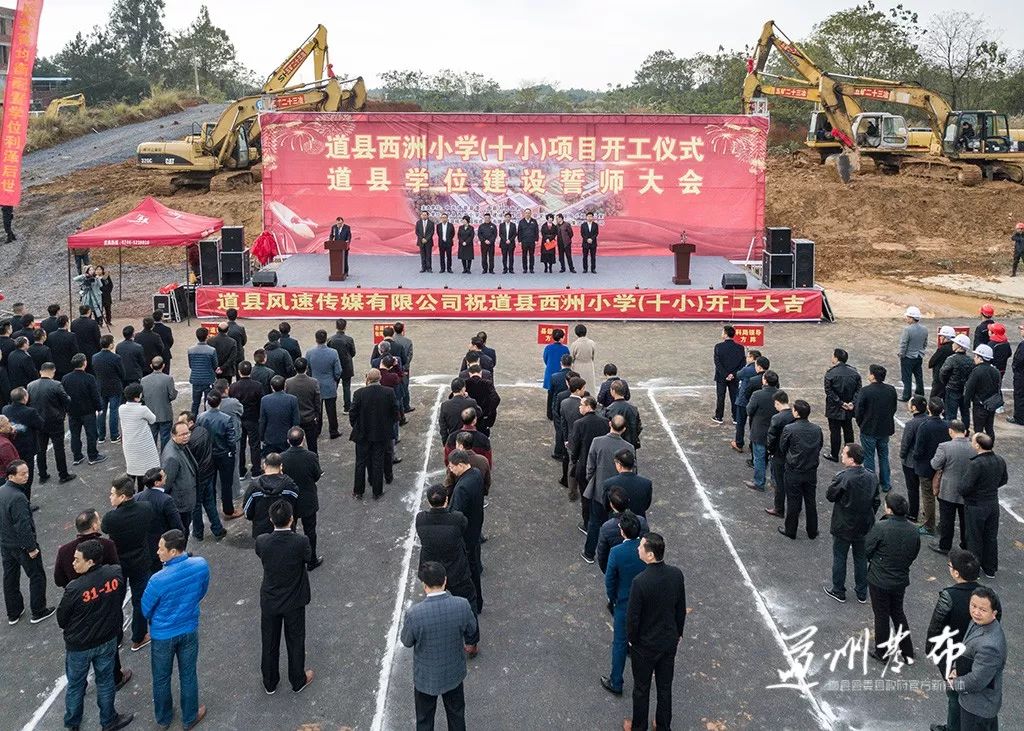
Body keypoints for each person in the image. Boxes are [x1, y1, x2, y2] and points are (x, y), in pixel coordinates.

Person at [57, 539, 135, 731]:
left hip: (79, 646)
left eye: (77, 560)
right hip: (107, 639)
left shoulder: (74, 588)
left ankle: (72, 724)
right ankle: (108, 720)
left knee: (75, 686)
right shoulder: (115, 573)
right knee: (105, 681)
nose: (73, 563)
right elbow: (119, 596)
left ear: (90, 561)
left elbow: (62, 619)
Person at [140, 529, 209, 730]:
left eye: (161, 548)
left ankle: (164, 718)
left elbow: (145, 609)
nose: (157, 552)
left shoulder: (157, 580)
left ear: (172, 552)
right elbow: (202, 591)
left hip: (163, 635)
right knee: (188, 674)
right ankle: (190, 717)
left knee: (161, 678)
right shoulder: (200, 565)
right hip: (188, 628)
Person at [400, 561, 478, 731]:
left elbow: (406, 642)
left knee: (424, 720)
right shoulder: (462, 605)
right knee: (456, 715)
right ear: (445, 581)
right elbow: (472, 630)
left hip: (426, 678)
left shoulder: (415, 614)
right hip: (453, 673)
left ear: (424, 585)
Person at [625, 533, 687, 731]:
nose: (638, 548)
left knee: (641, 690)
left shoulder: (640, 582)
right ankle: (662, 726)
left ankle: (638, 727)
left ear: (650, 555)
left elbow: (633, 618)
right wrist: (678, 633)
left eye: (641, 546)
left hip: (645, 645)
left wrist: (632, 641)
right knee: (665, 687)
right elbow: (680, 607)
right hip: (668, 641)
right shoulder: (676, 574)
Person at [255, 499, 314, 695]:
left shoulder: (263, 541)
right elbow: (308, 557)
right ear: (291, 519)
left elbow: (260, 554)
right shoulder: (301, 541)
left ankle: (269, 681)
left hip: (270, 599)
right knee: (296, 640)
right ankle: (297, 679)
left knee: (269, 641)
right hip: (294, 599)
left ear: (271, 520)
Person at [926, 548, 981, 731]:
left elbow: (936, 627)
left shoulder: (949, 596)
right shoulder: (987, 597)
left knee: (954, 694)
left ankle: (953, 727)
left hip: (952, 655)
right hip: (977, 655)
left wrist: (931, 649)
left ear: (956, 573)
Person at [416, 484, 479, 644]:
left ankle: (439, 634)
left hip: (432, 572)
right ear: (447, 500)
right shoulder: (457, 518)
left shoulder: (421, 519)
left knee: (434, 603)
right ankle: (471, 641)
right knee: (468, 600)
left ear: (429, 502)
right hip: (456, 569)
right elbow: (464, 526)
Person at [864, 493, 920, 664]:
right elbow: (913, 553)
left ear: (889, 509)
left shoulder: (881, 527)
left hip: (879, 579)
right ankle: (907, 651)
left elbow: (867, 549)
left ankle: (882, 652)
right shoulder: (913, 530)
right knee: (897, 612)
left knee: (881, 615)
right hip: (899, 579)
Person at [102, 474, 155, 651]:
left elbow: (104, 529)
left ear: (123, 496)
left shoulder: (111, 518)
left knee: (116, 601)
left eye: (112, 494)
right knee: (140, 600)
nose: (110, 497)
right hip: (141, 561)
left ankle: (116, 638)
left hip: (119, 564)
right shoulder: (146, 508)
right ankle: (139, 636)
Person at [823, 443, 880, 603]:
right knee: (861, 558)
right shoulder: (871, 477)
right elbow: (876, 501)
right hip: (864, 525)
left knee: (840, 557)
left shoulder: (843, 477)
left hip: (843, 524)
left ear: (852, 459)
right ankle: (862, 592)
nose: (842, 455)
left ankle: (838, 590)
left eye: (844, 454)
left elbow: (830, 495)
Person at [1, 460, 54, 624]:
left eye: (27, 472)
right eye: (22, 474)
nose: (27, 476)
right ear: (11, 476)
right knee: (36, 575)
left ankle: (13, 612)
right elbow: (23, 525)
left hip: (5, 543)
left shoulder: (2, 491)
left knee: (10, 577)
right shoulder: (18, 498)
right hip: (22, 546)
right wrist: (31, 547)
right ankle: (38, 610)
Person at [601, 511, 645, 696]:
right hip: (644, 604)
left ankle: (616, 681)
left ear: (623, 532)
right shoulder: (646, 549)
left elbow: (610, 581)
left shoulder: (617, 552)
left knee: (619, 643)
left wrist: (613, 599)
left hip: (624, 603)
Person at [949, 587, 1005, 730]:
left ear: (994, 613)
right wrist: (956, 668)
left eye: (983, 609)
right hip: (974, 702)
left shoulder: (990, 646)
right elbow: (966, 649)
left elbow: (977, 681)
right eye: (973, 606)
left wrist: (955, 683)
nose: (976, 612)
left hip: (978, 707)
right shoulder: (977, 622)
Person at [583, 420, 635, 562]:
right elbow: (633, 470)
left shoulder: (597, 441)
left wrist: (591, 480)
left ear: (610, 424)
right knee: (616, 525)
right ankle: (611, 554)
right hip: (619, 495)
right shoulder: (629, 447)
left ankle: (589, 553)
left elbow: (590, 464)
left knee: (594, 523)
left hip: (599, 491)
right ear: (624, 429)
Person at [959, 433, 1006, 579]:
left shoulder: (975, 464)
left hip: (975, 505)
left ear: (978, 445)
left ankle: (973, 570)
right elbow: (1004, 480)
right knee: (991, 537)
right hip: (992, 504)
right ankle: (990, 568)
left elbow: (965, 487)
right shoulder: (1000, 460)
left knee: (974, 538)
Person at [350, 369, 399, 499]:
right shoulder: (388, 392)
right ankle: (377, 491)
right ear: (380, 378)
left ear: (368, 378)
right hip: (381, 433)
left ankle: (358, 491)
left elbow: (353, 413)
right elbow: (395, 412)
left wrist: (356, 426)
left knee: (360, 462)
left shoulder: (359, 393)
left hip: (362, 433)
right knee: (378, 461)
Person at [778, 399, 823, 539]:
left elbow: (783, 447)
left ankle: (791, 530)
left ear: (796, 413)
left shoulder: (789, 429)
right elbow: (819, 445)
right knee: (810, 501)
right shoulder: (817, 429)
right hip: (810, 470)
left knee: (793, 501)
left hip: (794, 470)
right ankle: (812, 530)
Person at [280, 427, 323, 570]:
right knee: (310, 531)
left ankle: (294, 560)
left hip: (290, 501)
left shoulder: (282, 458)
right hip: (308, 499)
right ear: (303, 440)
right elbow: (316, 475)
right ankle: (311, 559)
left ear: (288, 441)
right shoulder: (311, 456)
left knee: (290, 531)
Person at [448, 450, 484, 614]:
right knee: (475, 566)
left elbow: (456, 516)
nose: (450, 469)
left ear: (461, 465)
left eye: (452, 466)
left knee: (469, 571)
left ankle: (474, 605)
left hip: (467, 535)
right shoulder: (476, 473)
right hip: (476, 528)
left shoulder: (462, 487)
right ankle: (478, 602)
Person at [929, 420, 973, 556]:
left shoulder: (944, 447)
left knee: (947, 520)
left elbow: (935, 464)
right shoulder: (973, 447)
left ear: (950, 431)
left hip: (948, 490)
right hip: (967, 490)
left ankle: (945, 545)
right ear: (965, 432)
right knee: (966, 521)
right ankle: (966, 545)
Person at [29, 362, 76, 484]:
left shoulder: (31, 385)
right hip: (55, 421)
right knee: (59, 448)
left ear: (40, 371)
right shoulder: (56, 385)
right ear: (53, 371)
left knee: (41, 449)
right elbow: (67, 400)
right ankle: (63, 474)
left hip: (39, 422)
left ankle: (43, 474)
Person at [856, 364, 898, 493]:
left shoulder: (865, 391)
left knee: (869, 457)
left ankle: (871, 484)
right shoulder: (891, 389)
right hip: (884, 428)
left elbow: (859, 411)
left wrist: (861, 424)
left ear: (873, 376)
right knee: (883, 456)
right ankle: (885, 483)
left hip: (869, 429)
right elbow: (893, 408)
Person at [162, 420, 205, 540]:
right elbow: (167, 484)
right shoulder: (172, 457)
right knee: (182, 532)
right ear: (173, 436)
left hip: (187, 498)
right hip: (180, 503)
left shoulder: (182, 446)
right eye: (182, 435)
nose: (186, 437)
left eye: (187, 433)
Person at [136, 468, 184, 572]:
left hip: (143, 546)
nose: (166, 476)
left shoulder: (137, 497)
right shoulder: (166, 500)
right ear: (157, 483)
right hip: (160, 544)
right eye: (164, 476)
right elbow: (176, 524)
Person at [63, 353, 106, 467]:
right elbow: (95, 395)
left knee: (75, 435)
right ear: (84, 363)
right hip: (88, 411)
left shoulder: (66, 378)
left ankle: (77, 456)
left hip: (73, 412)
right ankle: (93, 456)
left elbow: (64, 395)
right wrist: (99, 408)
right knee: (91, 434)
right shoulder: (89, 378)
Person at [597, 488, 650, 572]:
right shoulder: (641, 521)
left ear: (611, 505)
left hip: (618, 566)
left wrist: (607, 571)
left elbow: (602, 554)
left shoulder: (607, 527)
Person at [569, 396, 609, 506]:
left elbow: (575, 446)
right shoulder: (605, 422)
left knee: (585, 496)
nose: (579, 407)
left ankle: (587, 521)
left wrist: (574, 459)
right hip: (600, 462)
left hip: (584, 463)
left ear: (588, 407)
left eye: (581, 405)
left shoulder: (579, 423)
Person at [2, 388, 43, 496]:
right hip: (27, 448)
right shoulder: (30, 411)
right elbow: (40, 424)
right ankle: (26, 500)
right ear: (25, 398)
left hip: (14, 446)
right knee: (26, 477)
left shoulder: (6, 409)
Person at [824, 348, 861, 462]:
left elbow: (829, 392)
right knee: (848, 430)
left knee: (835, 432)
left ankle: (834, 454)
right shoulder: (854, 372)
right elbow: (858, 390)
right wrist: (852, 403)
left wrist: (840, 403)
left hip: (835, 408)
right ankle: (851, 454)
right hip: (849, 408)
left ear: (836, 358)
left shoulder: (830, 374)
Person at [745, 370, 780, 492]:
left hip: (759, 431)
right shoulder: (780, 394)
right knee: (775, 458)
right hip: (775, 431)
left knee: (759, 458)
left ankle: (759, 482)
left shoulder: (757, 395)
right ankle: (776, 482)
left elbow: (749, 410)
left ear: (764, 380)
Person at [119, 384, 160, 487]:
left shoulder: (121, 408)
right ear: (137, 397)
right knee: (143, 471)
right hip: (142, 444)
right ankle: (140, 493)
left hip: (129, 444)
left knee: (132, 469)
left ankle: (130, 492)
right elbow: (153, 419)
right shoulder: (143, 409)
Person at [306, 330, 343, 440]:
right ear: (326, 339)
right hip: (329, 384)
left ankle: (317, 430)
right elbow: (338, 371)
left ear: (316, 339)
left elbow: (308, 369)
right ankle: (333, 430)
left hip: (315, 384)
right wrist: (334, 380)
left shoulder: (310, 352)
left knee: (317, 409)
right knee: (331, 409)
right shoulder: (333, 352)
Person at [898, 396, 929, 523]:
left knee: (913, 489)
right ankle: (927, 513)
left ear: (914, 408)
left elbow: (905, 443)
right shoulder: (928, 421)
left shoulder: (911, 424)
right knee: (928, 491)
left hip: (911, 462)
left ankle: (913, 513)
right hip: (927, 461)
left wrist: (902, 455)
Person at [765, 390, 794, 518]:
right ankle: (795, 508)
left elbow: (771, 438)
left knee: (779, 483)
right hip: (793, 454)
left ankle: (779, 508)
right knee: (793, 483)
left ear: (777, 403)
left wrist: (770, 451)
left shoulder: (777, 418)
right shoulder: (795, 415)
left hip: (779, 454)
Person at [964, 345, 1001, 442]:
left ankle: (979, 448)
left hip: (979, 406)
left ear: (980, 358)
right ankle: (989, 446)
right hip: (991, 405)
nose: (974, 358)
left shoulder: (977, 371)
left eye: (976, 356)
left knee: (978, 430)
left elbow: (969, 389)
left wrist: (966, 403)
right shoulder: (995, 371)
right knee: (989, 428)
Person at [285, 357, 322, 454]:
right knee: (312, 445)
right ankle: (314, 466)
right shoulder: (313, 382)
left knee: (294, 445)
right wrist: (317, 415)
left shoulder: (288, 382)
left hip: (295, 417)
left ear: (294, 368)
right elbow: (317, 401)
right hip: (309, 417)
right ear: (307, 368)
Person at [92, 335, 125, 444]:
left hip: (101, 386)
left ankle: (101, 435)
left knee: (101, 411)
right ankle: (114, 435)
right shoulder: (116, 358)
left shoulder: (95, 357)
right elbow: (121, 373)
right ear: (110, 344)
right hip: (114, 386)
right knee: (114, 411)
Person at [141, 356, 177, 451]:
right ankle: (165, 456)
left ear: (151, 366)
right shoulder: (168, 379)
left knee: (152, 437)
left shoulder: (144, 380)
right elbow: (172, 396)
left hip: (150, 412)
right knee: (165, 438)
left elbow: (142, 397)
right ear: (163, 366)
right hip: (165, 413)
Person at [712, 325, 745, 424]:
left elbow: (717, 362)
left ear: (725, 334)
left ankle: (719, 416)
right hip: (735, 377)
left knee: (721, 396)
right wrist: (733, 374)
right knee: (735, 396)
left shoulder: (718, 347)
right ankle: (736, 417)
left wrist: (725, 374)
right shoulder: (740, 348)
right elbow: (742, 364)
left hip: (721, 377)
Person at [260, 375, 300, 456]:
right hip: (286, 438)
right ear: (285, 386)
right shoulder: (292, 399)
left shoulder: (265, 400)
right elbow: (296, 420)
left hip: (270, 438)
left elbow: (262, 421)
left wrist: (261, 437)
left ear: (271, 387)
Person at [941, 334, 975, 430]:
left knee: (950, 414)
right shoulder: (971, 360)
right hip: (965, 390)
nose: (952, 344)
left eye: (955, 343)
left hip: (952, 389)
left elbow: (943, 373)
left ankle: (951, 431)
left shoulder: (951, 359)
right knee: (965, 412)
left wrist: (947, 383)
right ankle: (965, 430)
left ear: (959, 346)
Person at [327, 319, 356, 413]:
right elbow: (353, 353)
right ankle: (347, 407)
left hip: (334, 365)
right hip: (347, 365)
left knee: (333, 386)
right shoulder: (349, 339)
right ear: (345, 327)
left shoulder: (330, 339)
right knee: (346, 387)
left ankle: (331, 406)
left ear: (336, 326)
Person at [898, 306, 928, 401]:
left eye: (908, 317)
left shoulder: (908, 330)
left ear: (911, 318)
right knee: (918, 375)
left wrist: (901, 354)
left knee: (907, 377)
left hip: (908, 357)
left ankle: (906, 396)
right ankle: (920, 392)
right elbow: (925, 343)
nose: (906, 319)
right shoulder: (924, 329)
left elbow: (904, 344)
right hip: (919, 356)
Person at [187, 328, 218, 416]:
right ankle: (206, 418)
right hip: (208, 379)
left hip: (196, 379)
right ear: (207, 336)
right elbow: (215, 365)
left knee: (195, 402)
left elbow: (191, 365)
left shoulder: (190, 350)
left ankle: (193, 420)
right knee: (208, 402)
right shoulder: (211, 350)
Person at [439, 379, 480, 446]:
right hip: (469, 439)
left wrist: (445, 443)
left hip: (453, 440)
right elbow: (479, 413)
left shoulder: (445, 405)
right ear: (462, 389)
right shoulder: (471, 402)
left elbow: (443, 427)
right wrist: (468, 397)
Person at [542, 329, 570, 419]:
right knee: (562, 394)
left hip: (550, 373)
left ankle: (549, 414)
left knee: (550, 394)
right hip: (561, 374)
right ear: (562, 338)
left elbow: (545, 359)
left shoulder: (548, 347)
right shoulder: (565, 349)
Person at [606, 380, 642, 450]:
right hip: (630, 444)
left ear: (613, 391)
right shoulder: (633, 409)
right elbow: (638, 427)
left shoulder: (609, 409)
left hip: (615, 444)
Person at [47, 316, 80, 380]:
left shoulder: (51, 335)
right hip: (68, 365)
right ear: (66, 323)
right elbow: (75, 351)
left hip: (56, 364)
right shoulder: (71, 336)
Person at [930, 326, 957, 401]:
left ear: (946, 337)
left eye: (942, 336)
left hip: (939, 379)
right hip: (950, 380)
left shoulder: (942, 349)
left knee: (933, 400)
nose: (940, 338)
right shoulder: (955, 349)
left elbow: (931, 362)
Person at [570, 323, 597, 389]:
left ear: (576, 333)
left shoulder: (574, 344)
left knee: (578, 386)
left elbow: (571, 358)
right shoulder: (592, 343)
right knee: (589, 386)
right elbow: (594, 356)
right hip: (589, 366)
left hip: (577, 367)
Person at [517, 208, 539, 273]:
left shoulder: (534, 221)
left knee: (532, 255)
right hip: (524, 241)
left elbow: (536, 231)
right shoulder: (521, 222)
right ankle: (525, 269)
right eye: (526, 213)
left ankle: (531, 268)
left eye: (529, 213)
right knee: (524, 255)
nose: (527, 214)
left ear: (530, 213)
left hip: (532, 241)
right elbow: (519, 232)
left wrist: (536, 240)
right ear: (524, 214)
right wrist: (519, 241)